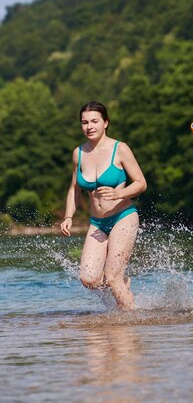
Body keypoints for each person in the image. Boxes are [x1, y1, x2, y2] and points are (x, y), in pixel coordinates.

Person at [60, 101, 147, 310]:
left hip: (123, 216)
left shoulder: (120, 149)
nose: (89, 126)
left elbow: (141, 183)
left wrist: (120, 193)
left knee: (113, 277)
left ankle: (129, 323)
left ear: (105, 122)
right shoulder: (78, 153)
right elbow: (74, 188)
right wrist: (68, 216)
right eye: (84, 122)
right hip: (97, 222)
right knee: (88, 278)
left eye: (94, 121)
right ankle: (121, 293)